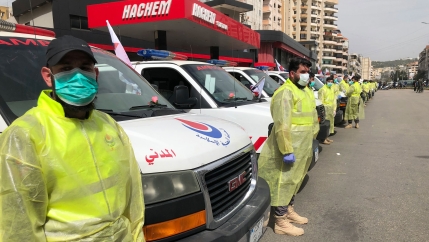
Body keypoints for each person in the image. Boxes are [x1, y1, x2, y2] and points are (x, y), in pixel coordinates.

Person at [0, 36, 145, 241]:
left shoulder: (109, 126)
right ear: (48, 76)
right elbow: (19, 226)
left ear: (95, 74)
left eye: (85, 68)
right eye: (66, 68)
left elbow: (134, 200)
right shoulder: (25, 135)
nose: (78, 76)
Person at [258, 57, 314, 236]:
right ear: (292, 74)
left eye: (308, 72)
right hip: (289, 147)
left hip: (303, 145)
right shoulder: (286, 92)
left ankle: (288, 210)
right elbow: (282, 124)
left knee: (295, 179)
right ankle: (280, 221)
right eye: (302, 72)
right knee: (284, 181)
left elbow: (310, 117)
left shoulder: (306, 91)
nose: (306, 76)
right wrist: (287, 150)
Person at [318, 76, 336, 144]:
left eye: (332, 82)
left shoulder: (331, 89)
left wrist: (334, 109)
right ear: (326, 81)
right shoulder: (322, 89)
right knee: (325, 123)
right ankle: (323, 139)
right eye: (329, 81)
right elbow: (320, 101)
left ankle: (326, 137)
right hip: (325, 108)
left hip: (330, 108)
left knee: (329, 123)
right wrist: (322, 110)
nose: (330, 83)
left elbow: (333, 99)